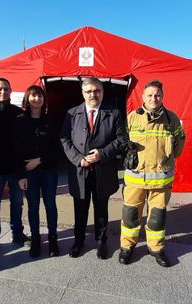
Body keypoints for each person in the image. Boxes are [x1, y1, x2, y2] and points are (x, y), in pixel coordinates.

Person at [119, 80, 185, 267]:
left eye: (157, 95)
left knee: (157, 218)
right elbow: (122, 143)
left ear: (162, 96)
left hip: (161, 182)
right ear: (143, 97)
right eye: (150, 95)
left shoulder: (172, 119)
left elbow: (179, 147)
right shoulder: (132, 118)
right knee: (130, 216)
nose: (153, 99)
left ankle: (155, 248)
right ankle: (127, 247)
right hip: (135, 181)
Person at [60, 77, 127, 259]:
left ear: (102, 92)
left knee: (101, 209)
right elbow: (64, 140)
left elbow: (122, 140)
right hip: (80, 170)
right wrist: (78, 159)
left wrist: (102, 154)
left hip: (103, 170)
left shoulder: (114, 113)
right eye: (89, 91)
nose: (93, 94)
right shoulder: (72, 114)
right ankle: (78, 242)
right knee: (80, 208)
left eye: (97, 90)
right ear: (83, 93)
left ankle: (101, 241)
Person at [0, 77, 30, 256]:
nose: (3, 92)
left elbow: (23, 143)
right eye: (0, 89)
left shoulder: (18, 113)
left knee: (17, 204)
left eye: (6, 89)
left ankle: (17, 234)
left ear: (11, 91)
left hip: (15, 169)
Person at [15, 85, 60, 258]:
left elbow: (57, 147)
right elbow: (16, 150)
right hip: (28, 172)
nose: (37, 99)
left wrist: (39, 160)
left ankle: (53, 238)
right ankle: (35, 239)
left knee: (50, 204)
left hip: (48, 169)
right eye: (34, 96)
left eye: (40, 96)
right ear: (28, 99)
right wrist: (20, 175)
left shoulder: (51, 120)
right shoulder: (19, 121)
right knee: (32, 206)